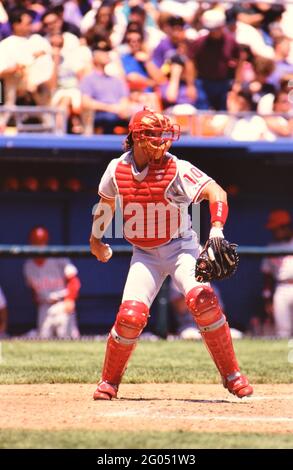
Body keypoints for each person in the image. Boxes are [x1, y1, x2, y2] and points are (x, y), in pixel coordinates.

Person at [90, 106, 253, 400]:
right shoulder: (117, 168)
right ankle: (109, 382)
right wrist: (96, 240)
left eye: (163, 135)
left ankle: (233, 375)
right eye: (154, 136)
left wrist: (216, 229)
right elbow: (106, 205)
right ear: (137, 138)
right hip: (145, 253)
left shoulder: (176, 167)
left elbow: (217, 193)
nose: (162, 142)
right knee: (130, 316)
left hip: (180, 247)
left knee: (203, 301)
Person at [23, 226, 81, 339]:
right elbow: (33, 291)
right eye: (36, 242)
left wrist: (70, 299)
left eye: (41, 241)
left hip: (62, 304)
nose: (39, 245)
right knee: (43, 341)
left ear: (46, 242)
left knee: (69, 340)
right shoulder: (28, 266)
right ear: (31, 243)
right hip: (44, 306)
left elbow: (73, 280)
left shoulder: (58, 257)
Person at [261, 210, 293, 338]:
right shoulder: (271, 247)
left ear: (285, 227)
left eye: (276, 229)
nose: (273, 232)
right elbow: (267, 276)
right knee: (282, 331)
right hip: (281, 288)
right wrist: (267, 299)